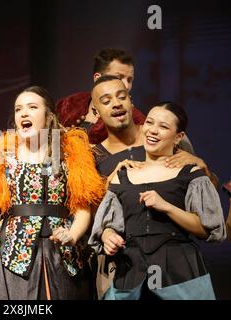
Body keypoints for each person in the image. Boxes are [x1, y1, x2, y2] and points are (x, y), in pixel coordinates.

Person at [0, 86, 105, 299]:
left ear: (49, 116)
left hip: (61, 254)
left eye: (32, 107)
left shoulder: (71, 156)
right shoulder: (3, 158)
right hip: (10, 255)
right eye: (18, 109)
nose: (23, 113)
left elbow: (82, 208)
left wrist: (73, 235)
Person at [89, 101, 227, 299]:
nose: (153, 130)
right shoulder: (123, 174)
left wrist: (167, 207)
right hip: (131, 274)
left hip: (179, 276)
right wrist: (108, 236)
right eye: (150, 123)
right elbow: (108, 225)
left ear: (178, 137)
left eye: (163, 127)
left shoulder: (191, 175)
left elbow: (208, 229)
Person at [56, 48, 146, 145]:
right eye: (119, 77)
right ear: (98, 78)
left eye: (129, 80)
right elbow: (48, 146)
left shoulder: (136, 119)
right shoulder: (69, 104)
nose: (127, 85)